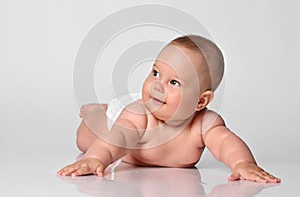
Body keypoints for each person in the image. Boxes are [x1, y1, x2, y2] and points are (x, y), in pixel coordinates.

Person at [57, 35, 280, 183]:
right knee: (86, 139)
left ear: (201, 102)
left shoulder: (204, 124)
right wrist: (96, 158)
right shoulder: (139, 115)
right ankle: (96, 111)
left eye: (173, 82)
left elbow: (225, 143)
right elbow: (117, 139)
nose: (157, 85)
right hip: (115, 120)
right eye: (155, 73)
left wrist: (243, 163)